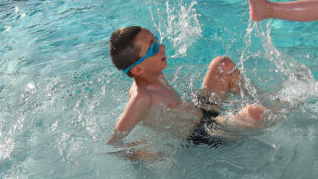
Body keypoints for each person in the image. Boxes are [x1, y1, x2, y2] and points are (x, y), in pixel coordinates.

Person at [106, 26, 267, 155]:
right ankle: (285, 108)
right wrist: (141, 154)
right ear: (137, 70)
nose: (162, 46)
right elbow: (114, 142)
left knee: (222, 64)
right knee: (254, 113)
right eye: (153, 48)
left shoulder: (155, 74)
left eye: (157, 41)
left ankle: (266, 98)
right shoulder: (142, 97)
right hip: (200, 134)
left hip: (199, 109)